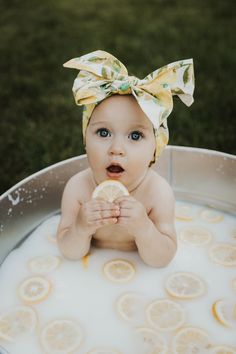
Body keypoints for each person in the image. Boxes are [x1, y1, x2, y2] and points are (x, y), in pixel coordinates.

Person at [57, 50, 194, 267]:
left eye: (135, 135)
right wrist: (80, 227)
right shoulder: (78, 189)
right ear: (85, 139)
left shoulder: (157, 193)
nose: (116, 149)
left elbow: (162, 260)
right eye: (103, 133)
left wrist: (145, 229)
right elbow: (69, 253)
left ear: (155, 149)